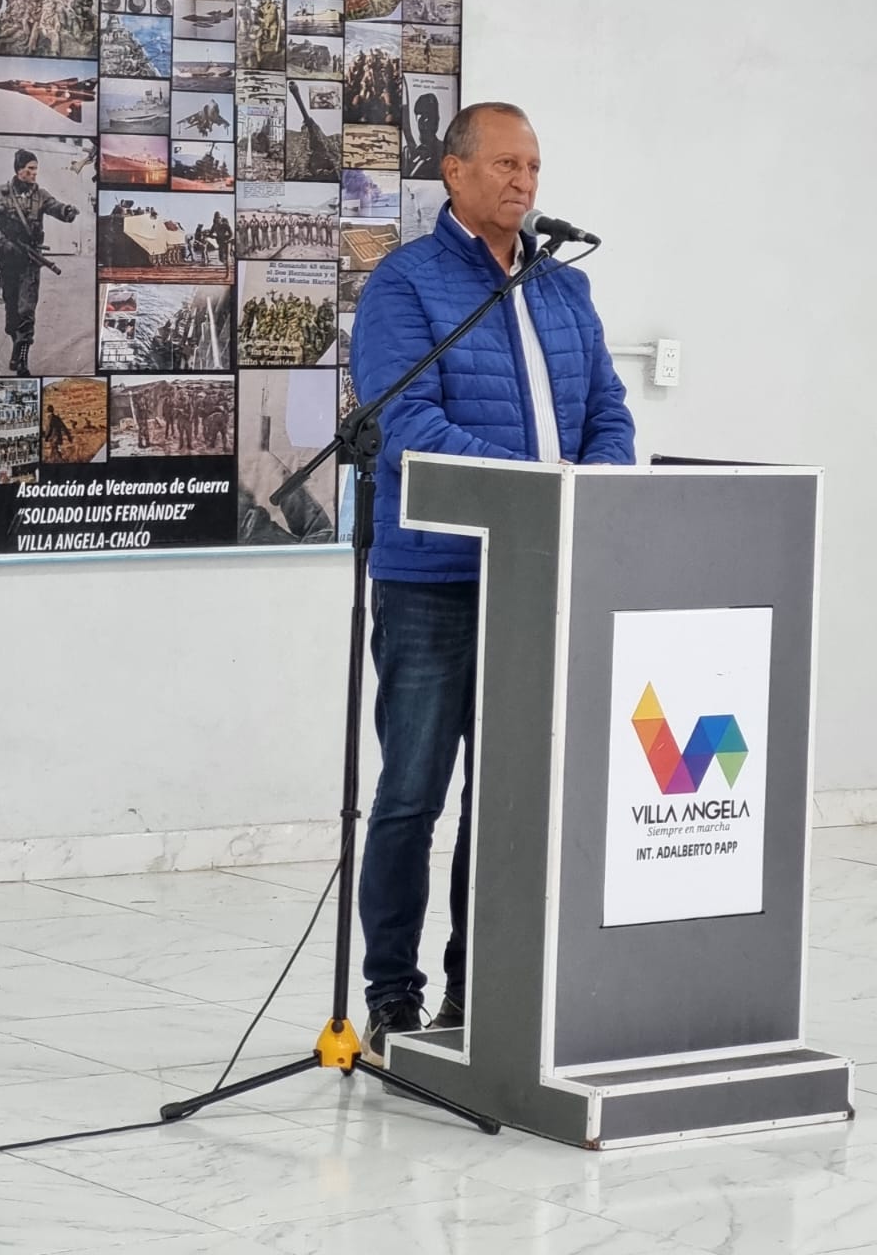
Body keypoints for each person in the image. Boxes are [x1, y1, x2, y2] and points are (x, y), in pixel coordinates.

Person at [350, 101, 635, 1066]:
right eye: (507, 164)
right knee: (412, 795)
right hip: (434, 579)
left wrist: (591, 486)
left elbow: (609, 410)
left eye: (535, 167)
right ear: (455, 171)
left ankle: (478, 992)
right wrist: (541, 489)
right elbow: (408, 423)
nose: (525, 181)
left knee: (504, 796)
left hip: (537, 577)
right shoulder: (407, 283)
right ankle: (391, 995)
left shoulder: (564, 285)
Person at [0, 149, 79, 377]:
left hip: (30, 261)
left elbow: (55, 207)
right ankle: (16, 345)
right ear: (19, 170)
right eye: (30, 169)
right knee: (11, 313)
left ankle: (22, 359)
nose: (35, 173)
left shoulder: (40, 195)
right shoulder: (0, 193)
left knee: (26, 310)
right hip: (8, 260)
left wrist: (67, 211)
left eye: (36, 169)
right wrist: (3, 242)